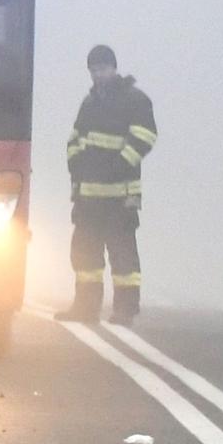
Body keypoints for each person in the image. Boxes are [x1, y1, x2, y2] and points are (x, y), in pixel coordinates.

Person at [63, 45, 158, 324]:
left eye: (102, 69)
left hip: (120, 194)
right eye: (93, 70)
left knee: (122, 254)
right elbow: (74, 140)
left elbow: (146, 136)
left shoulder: (135, 100)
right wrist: (76, 165)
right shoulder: (89, 103)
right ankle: (85, 307)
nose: (97, 75)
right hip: (89, 195)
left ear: (114, 68)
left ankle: (125, 311)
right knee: (84, 254)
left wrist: (118, 165)